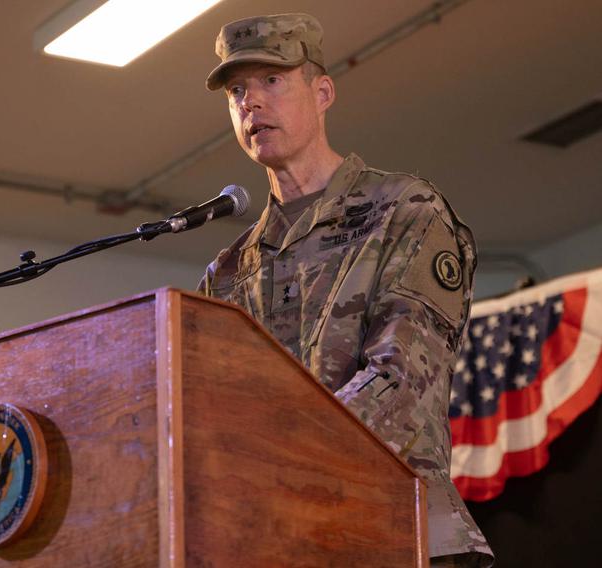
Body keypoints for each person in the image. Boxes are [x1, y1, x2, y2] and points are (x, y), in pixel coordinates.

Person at [198, 13, 494, 566]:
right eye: (236, 90)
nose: (250, 102)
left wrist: (278, 459)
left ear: (323, 91)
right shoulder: (229, 272)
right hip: (275, 541)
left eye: (272, 81)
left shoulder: (404, 210)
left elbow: (401, 381)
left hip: (392, 528)